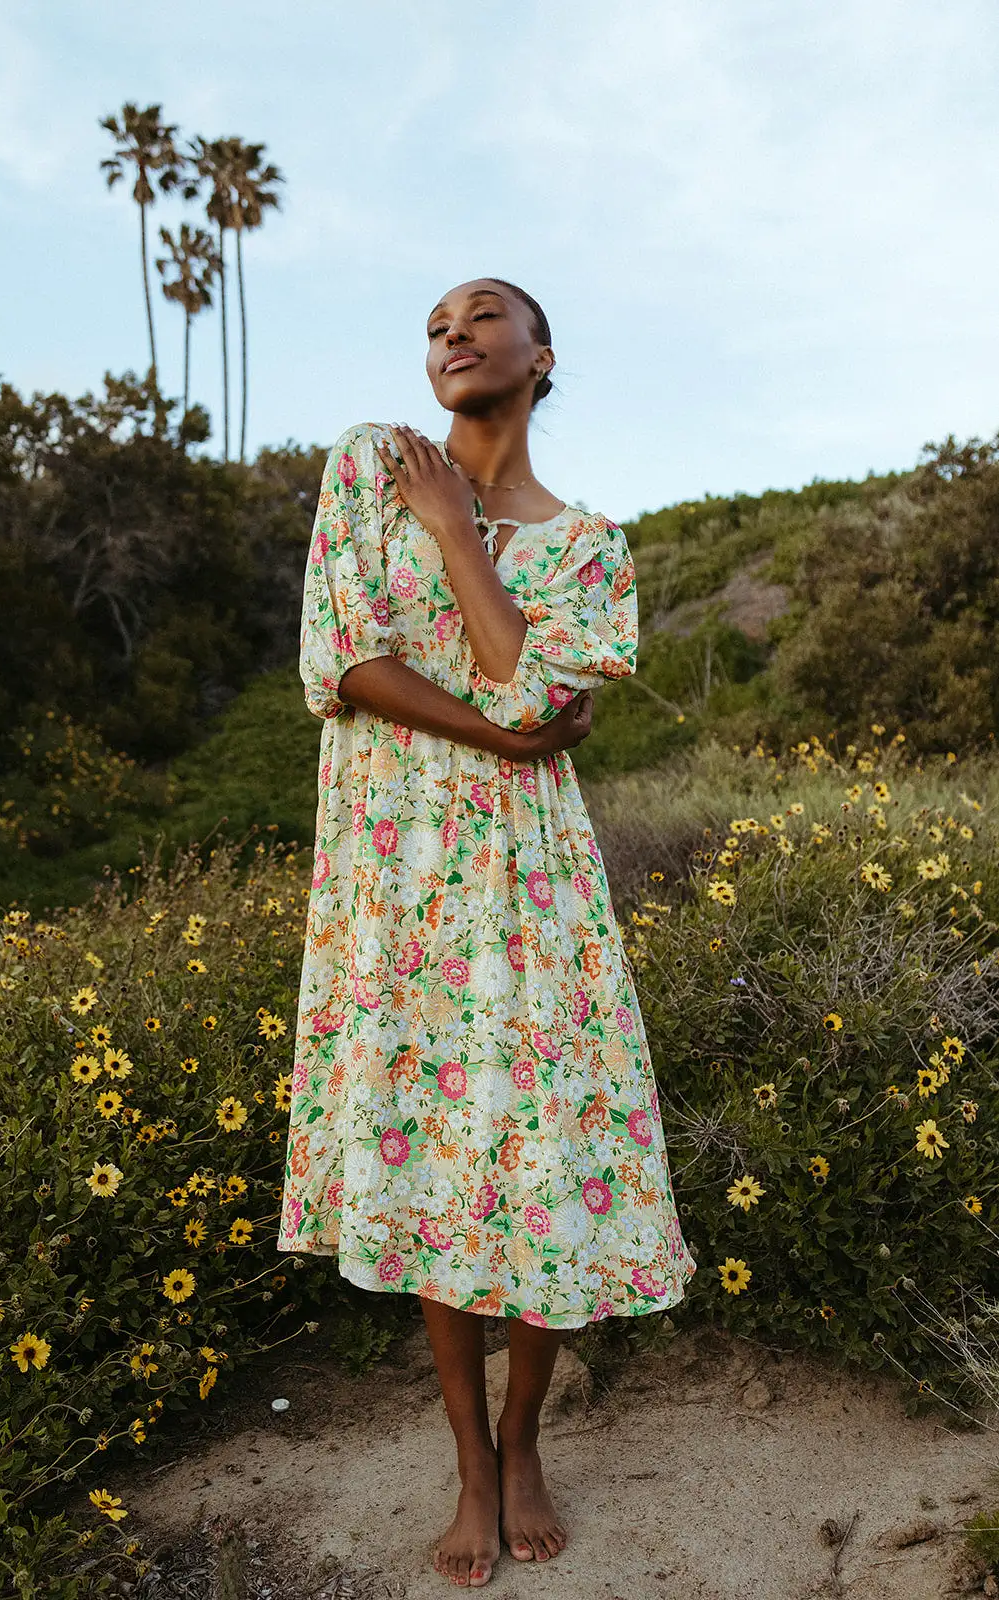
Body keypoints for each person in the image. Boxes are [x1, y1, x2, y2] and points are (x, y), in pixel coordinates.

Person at [277, 277, 697, 1587]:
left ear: (543, 355)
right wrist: (502, 728)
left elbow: (542, 680)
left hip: (532, 891)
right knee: (430, 1160)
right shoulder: (370, 464)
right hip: (394, 880)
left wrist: (459, 532)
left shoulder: (589, 548)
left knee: (527, 1159)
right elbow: (339, 662)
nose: (449, 337)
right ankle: (468, 1464)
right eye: (435, 327)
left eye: (480, 318)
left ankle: (524, 1445)